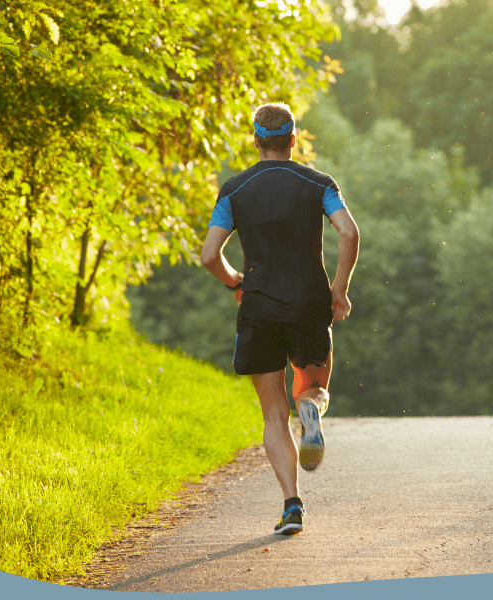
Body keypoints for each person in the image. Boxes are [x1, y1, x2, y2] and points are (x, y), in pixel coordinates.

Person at [200, 102, 359, 536]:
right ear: (293, 139)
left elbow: (209, 255)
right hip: (309, 304)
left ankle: (292, 505)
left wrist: (236, 282)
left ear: (256, 139)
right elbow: (348, 231)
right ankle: (312, 409)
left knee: (273, 414)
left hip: (260, 310)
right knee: (314, 387)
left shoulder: (235, 190)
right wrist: (339, 289)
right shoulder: (318, 183)